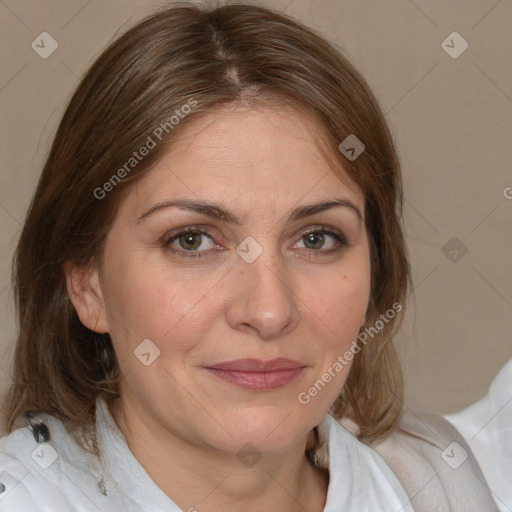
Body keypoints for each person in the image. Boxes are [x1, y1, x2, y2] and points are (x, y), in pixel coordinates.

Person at [0, 3, 500, 511]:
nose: (268, 311)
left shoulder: (451, 482)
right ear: (88, 285)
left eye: (316, 239)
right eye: (192, 240)